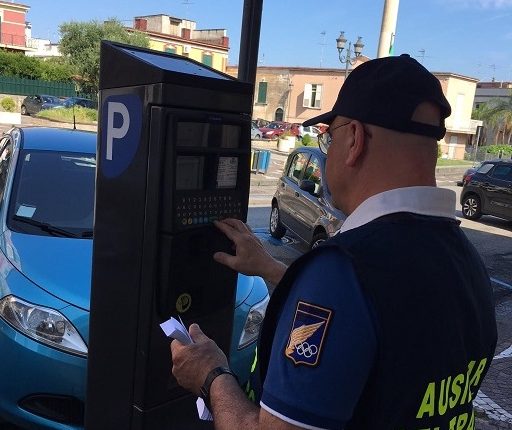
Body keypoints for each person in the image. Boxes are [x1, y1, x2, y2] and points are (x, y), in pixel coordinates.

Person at [170, 54, 497, 429]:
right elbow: (387, 319)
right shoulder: (468, 264)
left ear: (355, 139)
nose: (327, 152)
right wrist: (276, 271)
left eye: (329, 136)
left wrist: (212, 376)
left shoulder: (342, 272)